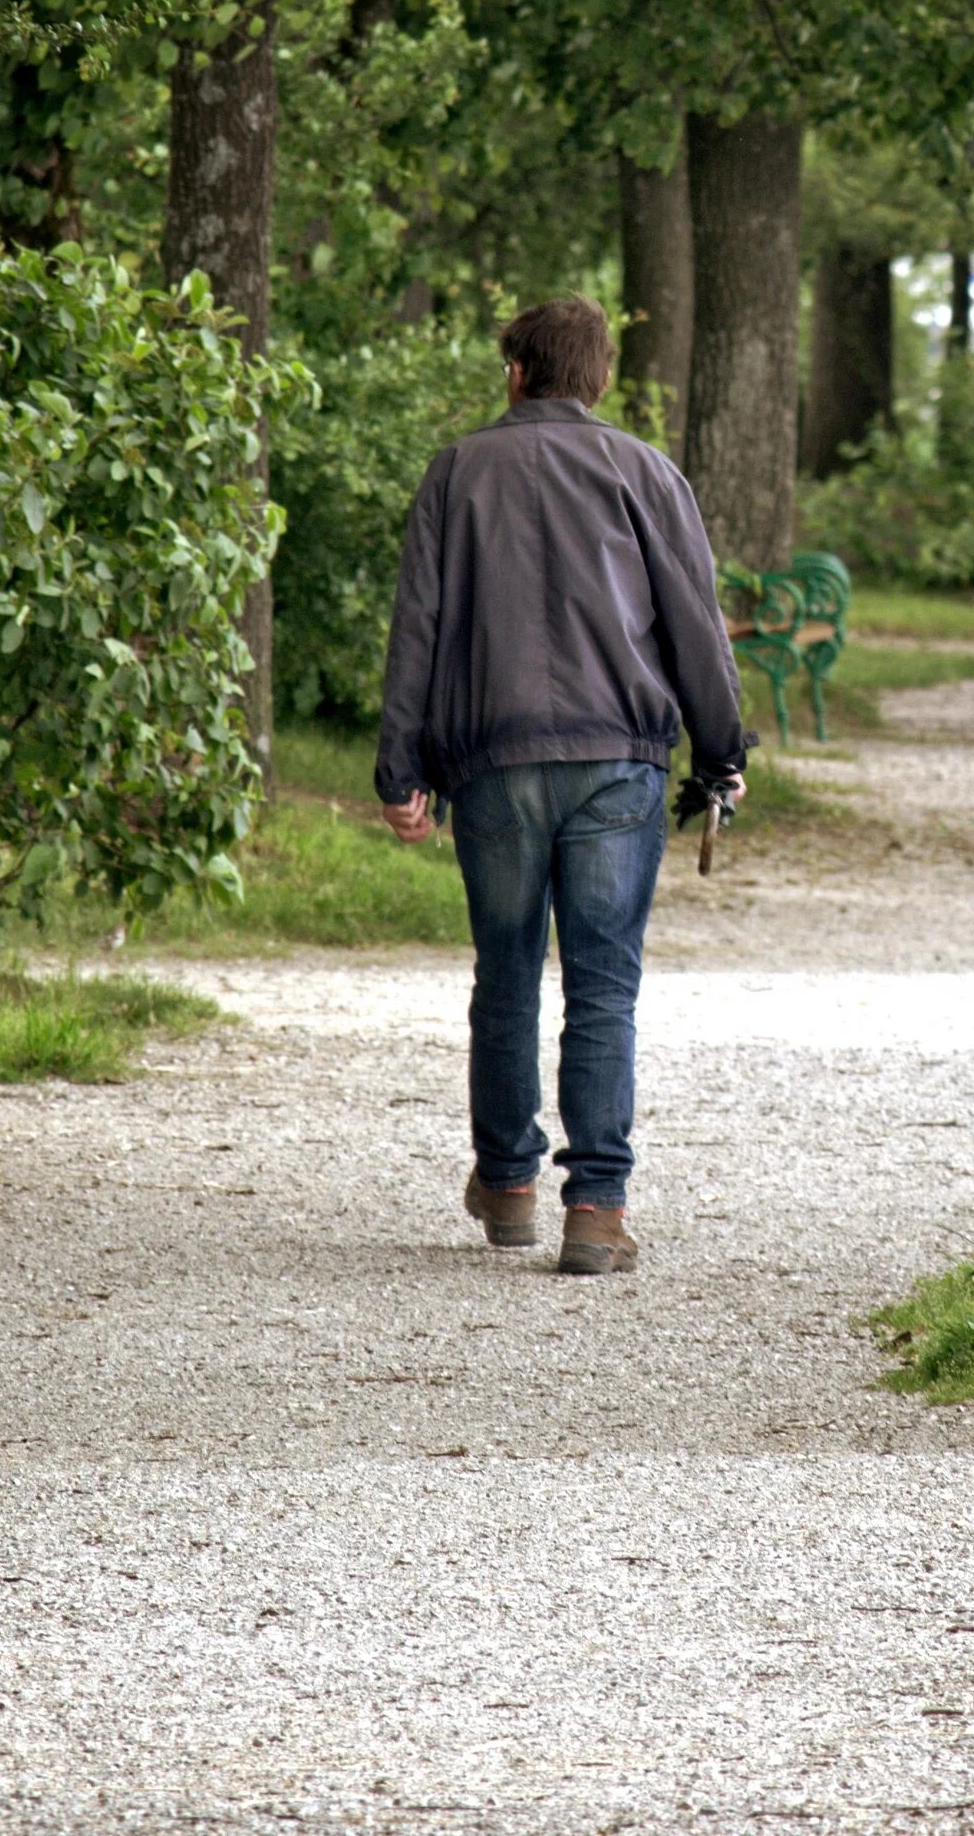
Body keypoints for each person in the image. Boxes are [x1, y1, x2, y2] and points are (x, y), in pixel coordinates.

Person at [373, 297, 750, 1276]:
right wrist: (721, 752)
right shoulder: (646, 473)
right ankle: (597, 1204)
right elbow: (695, 625)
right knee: (603, 984)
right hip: (618, 759)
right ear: (601, 379)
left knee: (504, 973)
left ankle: (506, 1182)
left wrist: (401, 767)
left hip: (493, 763)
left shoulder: (457, 471)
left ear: (515, 373)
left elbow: (418, 623)